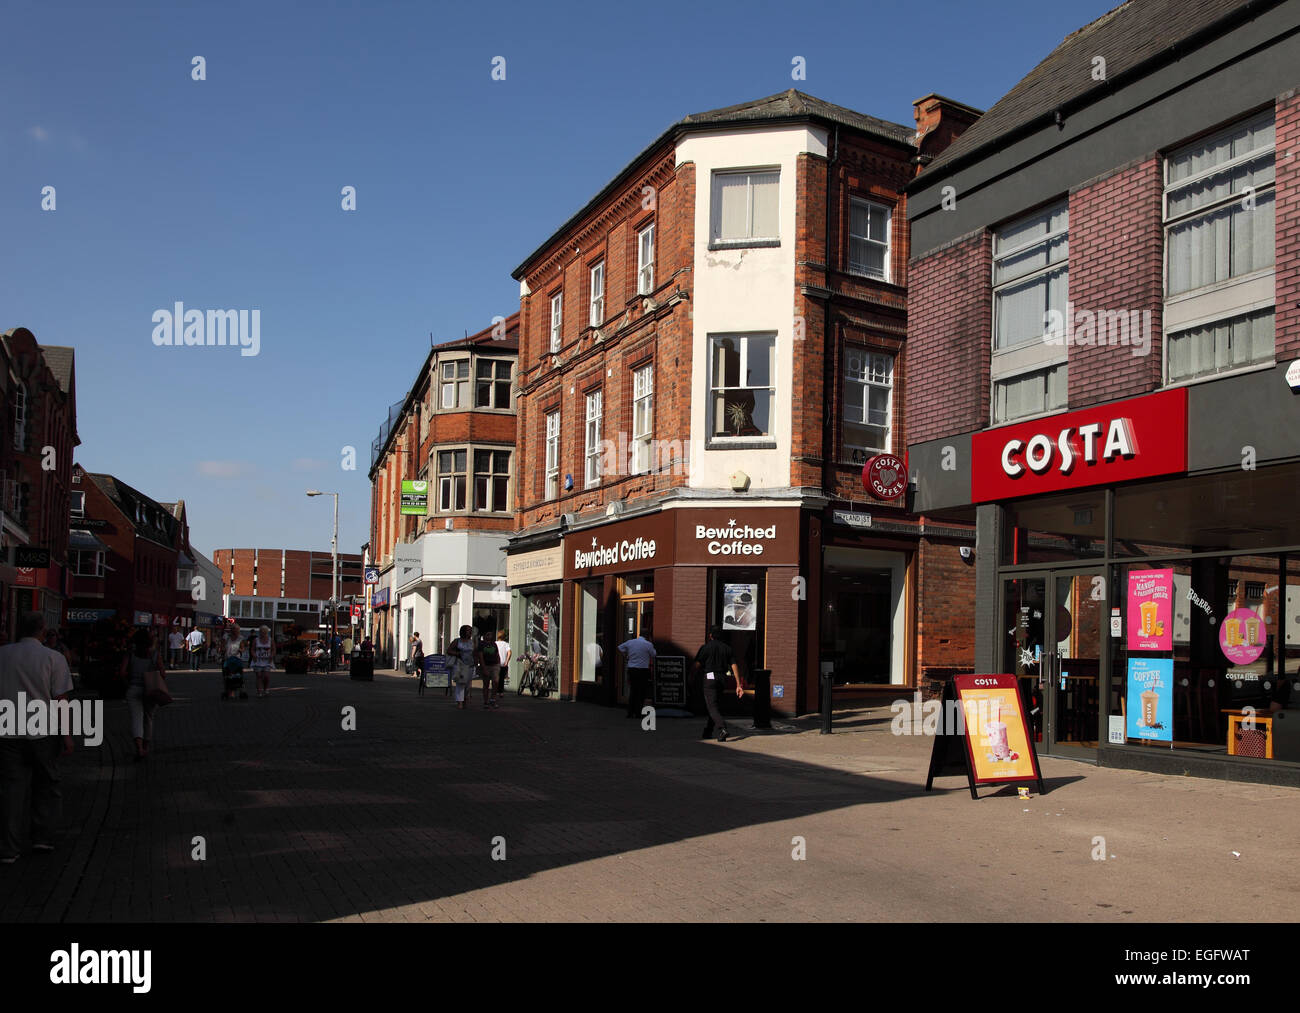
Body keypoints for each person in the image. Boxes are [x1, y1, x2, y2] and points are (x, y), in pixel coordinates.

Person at [0, 612, 74, 862]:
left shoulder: (2, 655)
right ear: (43, 631)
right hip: (43, 731)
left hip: (8, 729)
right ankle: (42, 837)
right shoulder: (53, 658)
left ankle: (9, 848)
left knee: (11, 789)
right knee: (46, 785)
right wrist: (67, 735)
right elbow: (60, 700)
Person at [691, 627, 744, 742]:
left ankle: (722, 728)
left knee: (712, 706)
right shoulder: (727, 648)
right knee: (715, 705)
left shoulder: (705, 648)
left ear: (710, 636)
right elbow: (734, 665)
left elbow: (697, 665)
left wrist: (691, 677)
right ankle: (708, 731)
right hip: (722, 678)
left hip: (709, 678)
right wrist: (738, 684)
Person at [121, 628, 165, 759]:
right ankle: (145, 747)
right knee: (148, 719)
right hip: (150, 690)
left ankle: (139, 748)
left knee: (136, 719)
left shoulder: (130, 654)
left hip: (133, 689)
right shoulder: (155, 655)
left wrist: (128, 681)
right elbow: (163, 673)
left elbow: (122, 672)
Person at [618, 628, 656, 719]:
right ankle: (638, 712)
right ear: (647, 636)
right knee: (641, 692)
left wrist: (626, 656)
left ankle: (630, 712)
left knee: (633, 691)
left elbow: (620, 647)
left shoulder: (631, 642)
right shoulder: (648, 644)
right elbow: (654, 655)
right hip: (643, 670)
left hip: (632, 669)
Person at [450, 625, 479, 710]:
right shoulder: (457, 641)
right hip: (460, 665)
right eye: (468, 631)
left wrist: (476, 661)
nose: (470, 632)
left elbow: (475, 652)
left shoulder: (472, 642)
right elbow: (449, 650)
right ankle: (459, 702)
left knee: (467, 684)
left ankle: (465, 699)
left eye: (471, 631)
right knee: (460, 683)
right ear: (463, 632)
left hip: (470, 665)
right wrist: (457, 654)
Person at [249, 625, 274, 697]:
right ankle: (259, 691)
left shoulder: (270, 640)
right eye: (261, 632)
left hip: (267, 661)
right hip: (258, 660)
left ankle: (266, 688)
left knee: (266, 676)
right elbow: (252, 649)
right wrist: (254, 655)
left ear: (266, 632)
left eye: (264, 632)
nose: (262, 634)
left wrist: (272, 655)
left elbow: (273, 649)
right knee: (259, 676)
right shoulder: (256, 640)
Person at [479, 629, 502, 709]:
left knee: (495, 682)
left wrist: (499, 664)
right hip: (486, 665)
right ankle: (486, 701)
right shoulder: (481, 644)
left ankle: (493, 699)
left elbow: (497, 654)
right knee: (486, 684)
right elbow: (480, 656)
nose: (490, 636)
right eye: (488, 634)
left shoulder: (494, 644)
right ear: (484, 636)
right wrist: (483, 667)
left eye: (491, 635)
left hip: (495, 665)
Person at [222, 630, 247, 700]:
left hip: (237, 659)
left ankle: (238, 691)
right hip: (228, 659)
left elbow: (243, 648)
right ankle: (230, 692)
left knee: (238, 675)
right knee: (228, 675)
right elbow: (222, 647)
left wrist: (240, 650)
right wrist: (223, 650)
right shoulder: (226, 638)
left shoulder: (240, 638)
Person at [494, 631, 511, 697]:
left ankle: (495, 691)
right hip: (503, 663)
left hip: (496, 663)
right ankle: (501, 692)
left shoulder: (495, 643)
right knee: (501, 678)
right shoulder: (506, 644)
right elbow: (509, 652)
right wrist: (507, 661)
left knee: (495, 678)